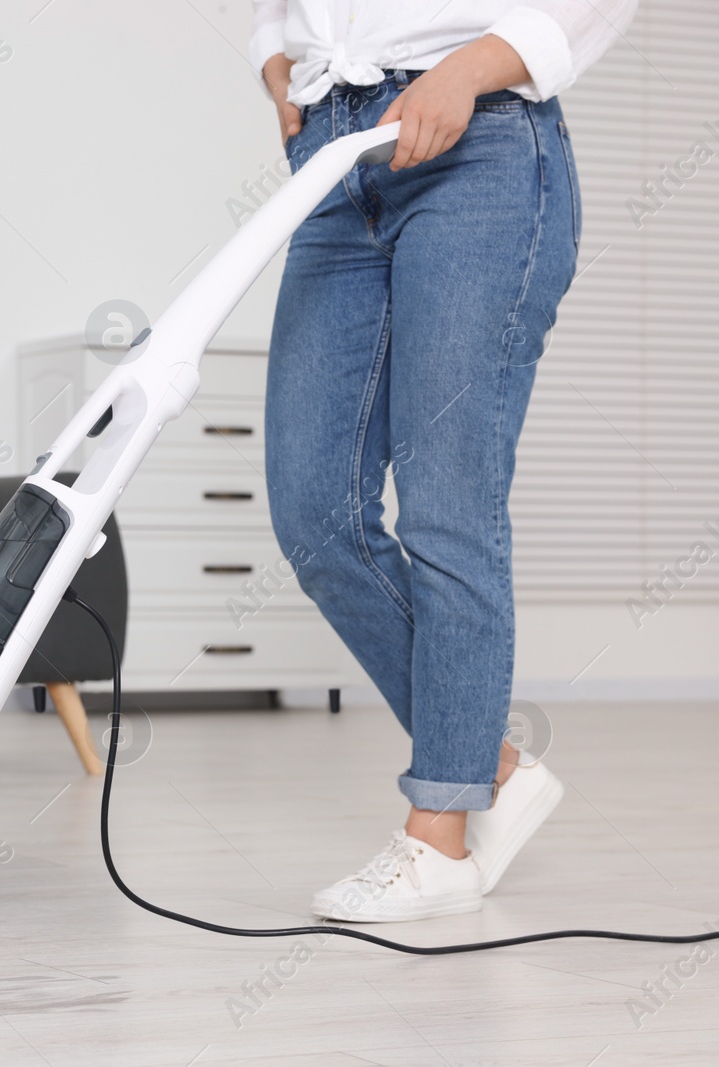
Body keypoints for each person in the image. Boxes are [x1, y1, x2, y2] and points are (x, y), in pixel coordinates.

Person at [249, 0, 637, 922]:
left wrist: (466, 70)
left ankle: (441, 842)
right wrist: (275, 54)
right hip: (333, 150)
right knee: (317, 515)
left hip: (482, 141)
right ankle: (488, 763)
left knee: (446, 506)